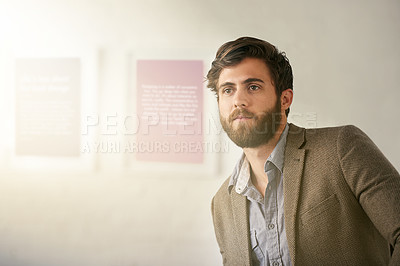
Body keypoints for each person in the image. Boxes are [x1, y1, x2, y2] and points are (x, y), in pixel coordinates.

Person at [207, 36, 400, 266]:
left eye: (253, 87)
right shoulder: (221, 204)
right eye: (227, 90)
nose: (238, 100)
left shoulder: (342, 148)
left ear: (285, 99)